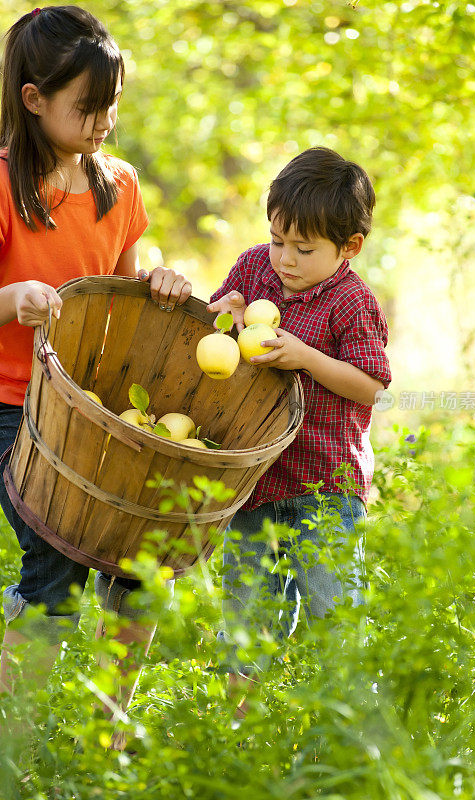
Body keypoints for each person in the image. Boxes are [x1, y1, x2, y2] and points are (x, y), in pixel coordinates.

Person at [0, 6, 192, 750]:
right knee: (54, 566)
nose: (104, 121)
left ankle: (107, 737)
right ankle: (17, 746)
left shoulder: (118, 184)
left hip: (94, 410)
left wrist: (161, 284)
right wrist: (10, 299)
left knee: (140, 563)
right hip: (14, 406)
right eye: (87, 107)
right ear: (33, 99)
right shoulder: (6, 187)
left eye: (112, 105)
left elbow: (123, 292)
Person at [207, 146, 391, 712]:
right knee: (246, 610)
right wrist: (229, 310)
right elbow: (215, 321)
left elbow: (370, 384)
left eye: (304, 249)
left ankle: (345, 730)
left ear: (349, 247)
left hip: (325, 486)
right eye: (277, 240)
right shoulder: (254, 266)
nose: (284, 259)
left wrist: (306, 357)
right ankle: (239, 725)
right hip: (258, 476)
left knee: (332, 605)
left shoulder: (353, 304)